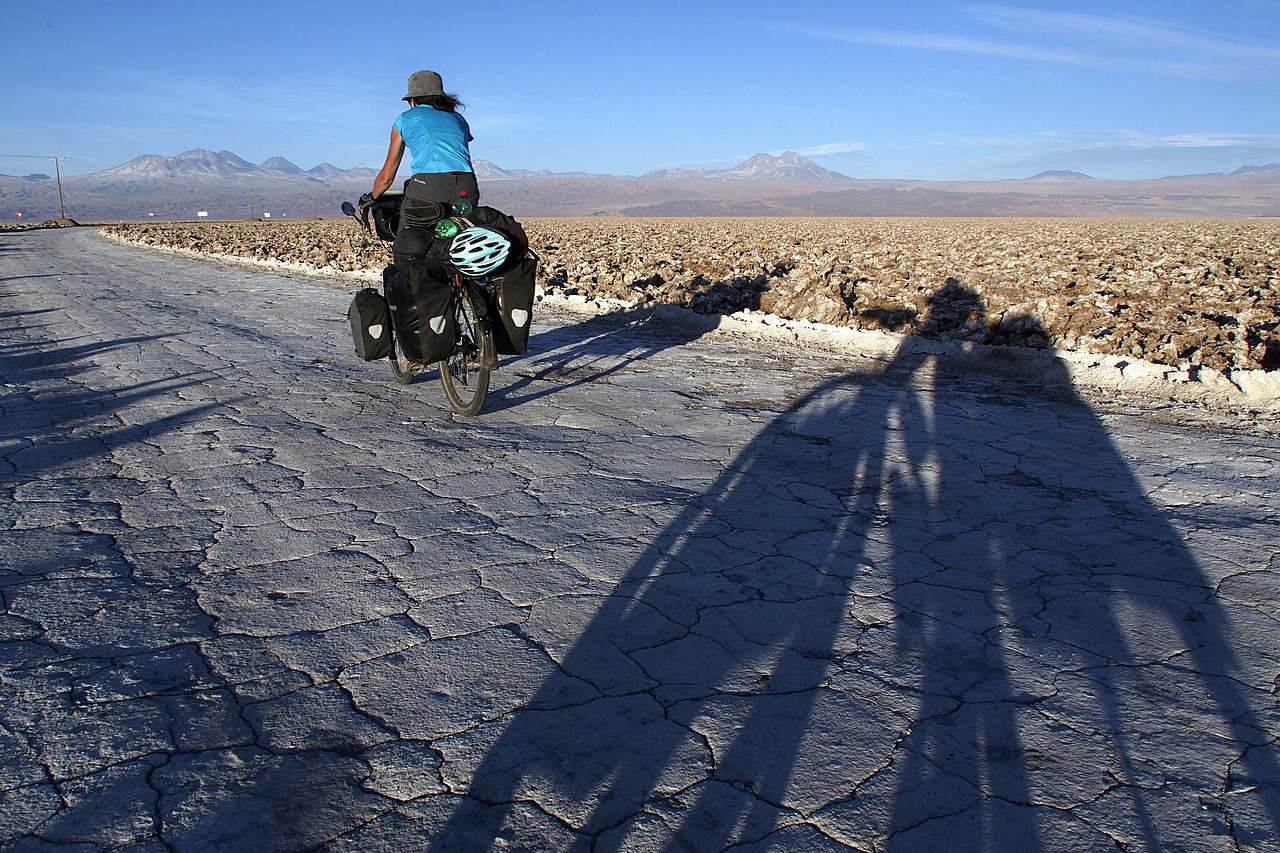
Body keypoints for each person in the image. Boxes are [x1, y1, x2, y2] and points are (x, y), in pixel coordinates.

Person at [368, 70, 478, 267]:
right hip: (467, 185)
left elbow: (386, 177)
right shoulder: (458, 119)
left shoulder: (405, 119)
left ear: (413, 100)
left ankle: (408, 282)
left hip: (428, 186)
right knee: (461, 241)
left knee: (407, 245)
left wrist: (372, 197)